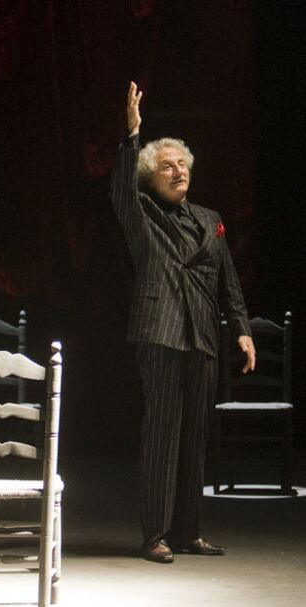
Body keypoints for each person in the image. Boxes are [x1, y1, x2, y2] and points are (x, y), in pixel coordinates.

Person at [111, 82, 256, 563]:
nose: (178, 171)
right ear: (149, 178)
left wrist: (241, 329)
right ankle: (155, 534)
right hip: (161, 330)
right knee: (162, 435)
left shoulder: (210, 219)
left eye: (183, 164)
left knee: (195, 437)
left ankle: (189, 530)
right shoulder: (142, 213)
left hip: (203, 336)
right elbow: (121, 187)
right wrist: (132, 135)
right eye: (167, 166)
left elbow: (228, 279)